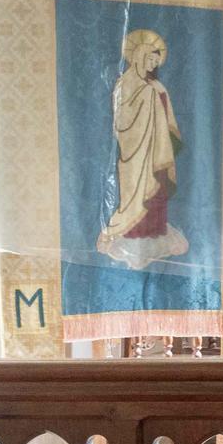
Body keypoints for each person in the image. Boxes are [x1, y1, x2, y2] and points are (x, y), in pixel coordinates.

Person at [96, 28, 188, 269]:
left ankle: (154, 231)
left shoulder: (155, 86)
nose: (152, 65)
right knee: (134, 192)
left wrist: (158, 97)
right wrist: (149, 96)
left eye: (155, 62)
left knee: (156, 188)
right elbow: (122, 121)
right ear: (138, 58)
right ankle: (132, 233)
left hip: (156, 149)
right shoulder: (124, 84)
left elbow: (168, 122)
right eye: (149, 60)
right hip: (134, 152)